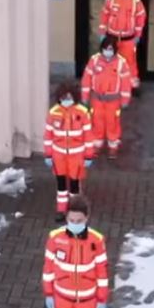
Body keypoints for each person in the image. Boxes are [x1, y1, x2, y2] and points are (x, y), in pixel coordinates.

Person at [43, 82, 94, 222]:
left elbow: (88, 136)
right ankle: (61, 210)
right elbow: (48, 136)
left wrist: (89, 156)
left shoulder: (82, 112)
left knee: (74, 185)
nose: (66, 101)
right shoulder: (53, 113)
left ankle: (74, 210)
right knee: (61, 185)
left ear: (74, 97)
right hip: (59, 155)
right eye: (64, 98)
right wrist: (48, 154)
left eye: (69, 97)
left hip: (76, 156)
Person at [81, 36, 132, 159]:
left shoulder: (121, 63)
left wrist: (125, 100)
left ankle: (113, 147)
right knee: (96, 121)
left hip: (113, 100)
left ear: (114, 49)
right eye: (106, 49)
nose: (107, 51)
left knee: (112, 123)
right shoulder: (94, 61)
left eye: (110, 49)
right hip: (97, 99)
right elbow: (86, 79)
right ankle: (97, 144)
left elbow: (126, 83)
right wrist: (85, 97)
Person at [98, 0, 146, 96]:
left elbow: (141, 18)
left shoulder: (135, 1)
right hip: (112, 38)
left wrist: (137, 36)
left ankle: (132, 87)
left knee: (130, 64)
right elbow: (104, 16)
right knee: (110, 63)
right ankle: (111, 86)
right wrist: (102, 33)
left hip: (128, 39)